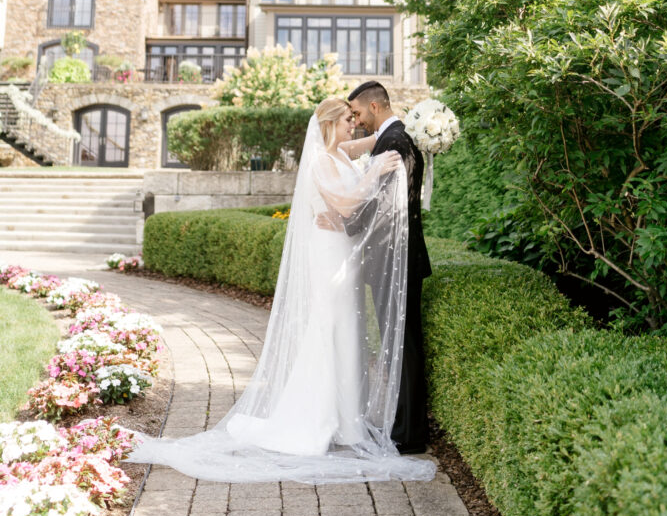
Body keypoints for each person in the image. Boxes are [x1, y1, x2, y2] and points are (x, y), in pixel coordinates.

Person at [129, 97, 436, 485]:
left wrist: (401, 132)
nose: (352, 126)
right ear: (329, 125)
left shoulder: (339, 151)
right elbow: (342, 205)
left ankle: (347, 420)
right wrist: (373, 175)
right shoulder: (321, 161)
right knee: (330, 328)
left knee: (348, 331)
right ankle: (320, 419)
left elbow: (368, 143)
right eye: (346, 121)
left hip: (343, 252)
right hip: (328, 256)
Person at [347, 81, 431, 454]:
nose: (357, 119)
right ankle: (406, 426)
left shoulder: (395, 141)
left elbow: (383, 204)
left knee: (403, 342)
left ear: (376, 106)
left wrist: (345, 222)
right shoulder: (396, 136)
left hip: (394, 258)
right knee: (401, 340)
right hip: (397, 256)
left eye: (359, 112)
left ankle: (409, 433)